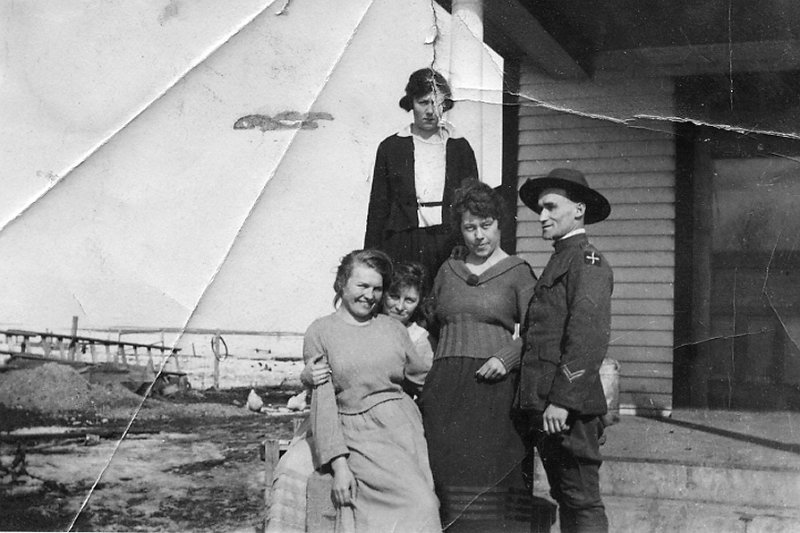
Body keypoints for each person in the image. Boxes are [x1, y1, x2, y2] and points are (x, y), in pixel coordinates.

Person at [265, 259, 436, 532]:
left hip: (400, 430)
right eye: (363, 285)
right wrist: (340, 465)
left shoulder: (393, 329)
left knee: (423, 505)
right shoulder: (320, 331)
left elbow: (423, 380)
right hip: (354, 430)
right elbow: (323, 403)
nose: (370, 295)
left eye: (377, 288)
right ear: (342, 283)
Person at [420, 180, 537, 531]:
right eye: (470, 228)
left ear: (500, 225)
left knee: (489, 484)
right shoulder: (447, 272)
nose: (479, 236)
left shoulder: (518, 272)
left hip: (494, 393)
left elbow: (539, 334)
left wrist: (507, 357)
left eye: (486, 226)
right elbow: (432, 329)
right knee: (445, 480)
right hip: (445, 391)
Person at [516, 168, 613, 533]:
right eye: (540, 209)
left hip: (568, 408)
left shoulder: (587, 262)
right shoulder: (561, 258)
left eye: (551, 207)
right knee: (567, 496)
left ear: (579, 209)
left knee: (582, 500)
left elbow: (587, 338)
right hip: (549, 405)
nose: (542, 217)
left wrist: (563, 400)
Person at [364, 68, 479, 288]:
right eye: (423, 102)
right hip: (402, 242)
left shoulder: (460, 147)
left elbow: (473, 204)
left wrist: (464, 243)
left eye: (437, 103)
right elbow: (378, 207)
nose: (430, 111)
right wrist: (370, 258)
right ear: (411, 103)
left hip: (448, 243)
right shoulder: (391, 147)